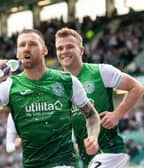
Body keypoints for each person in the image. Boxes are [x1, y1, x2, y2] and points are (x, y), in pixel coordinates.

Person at [0, 29, 100, 168]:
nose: (27, 48)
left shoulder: (68, 81)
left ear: (44, 50)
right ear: (17, 53)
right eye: (22, 45)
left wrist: (93, 137)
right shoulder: (10, 86)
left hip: (64, 163)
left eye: (33, 44)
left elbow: (91, 115)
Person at [55, 27, 144, 167]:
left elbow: (137, 88)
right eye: (60, 48)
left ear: (81, 50)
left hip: (110, 152)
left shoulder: (101, 72)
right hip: (87, 158)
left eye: (69, 47)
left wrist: (117, 114)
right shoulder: (59, 85)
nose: (64, 51)